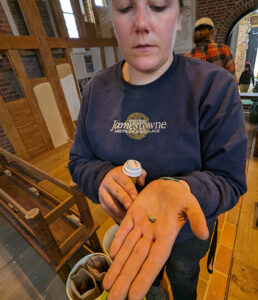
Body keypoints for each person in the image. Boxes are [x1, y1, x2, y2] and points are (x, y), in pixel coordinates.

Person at [68, 0, 247, 299]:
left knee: (184, 276)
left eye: (158, 6)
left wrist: (185, 190)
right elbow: (79, 160)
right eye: (125, 8)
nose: (141, 23)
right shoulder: (95, 90)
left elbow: (229, 180)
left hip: (187, 236)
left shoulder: (215, 86)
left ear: (179, 18)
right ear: (111, 17)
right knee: (146, 285)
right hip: (128, 233)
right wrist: (100, 177)